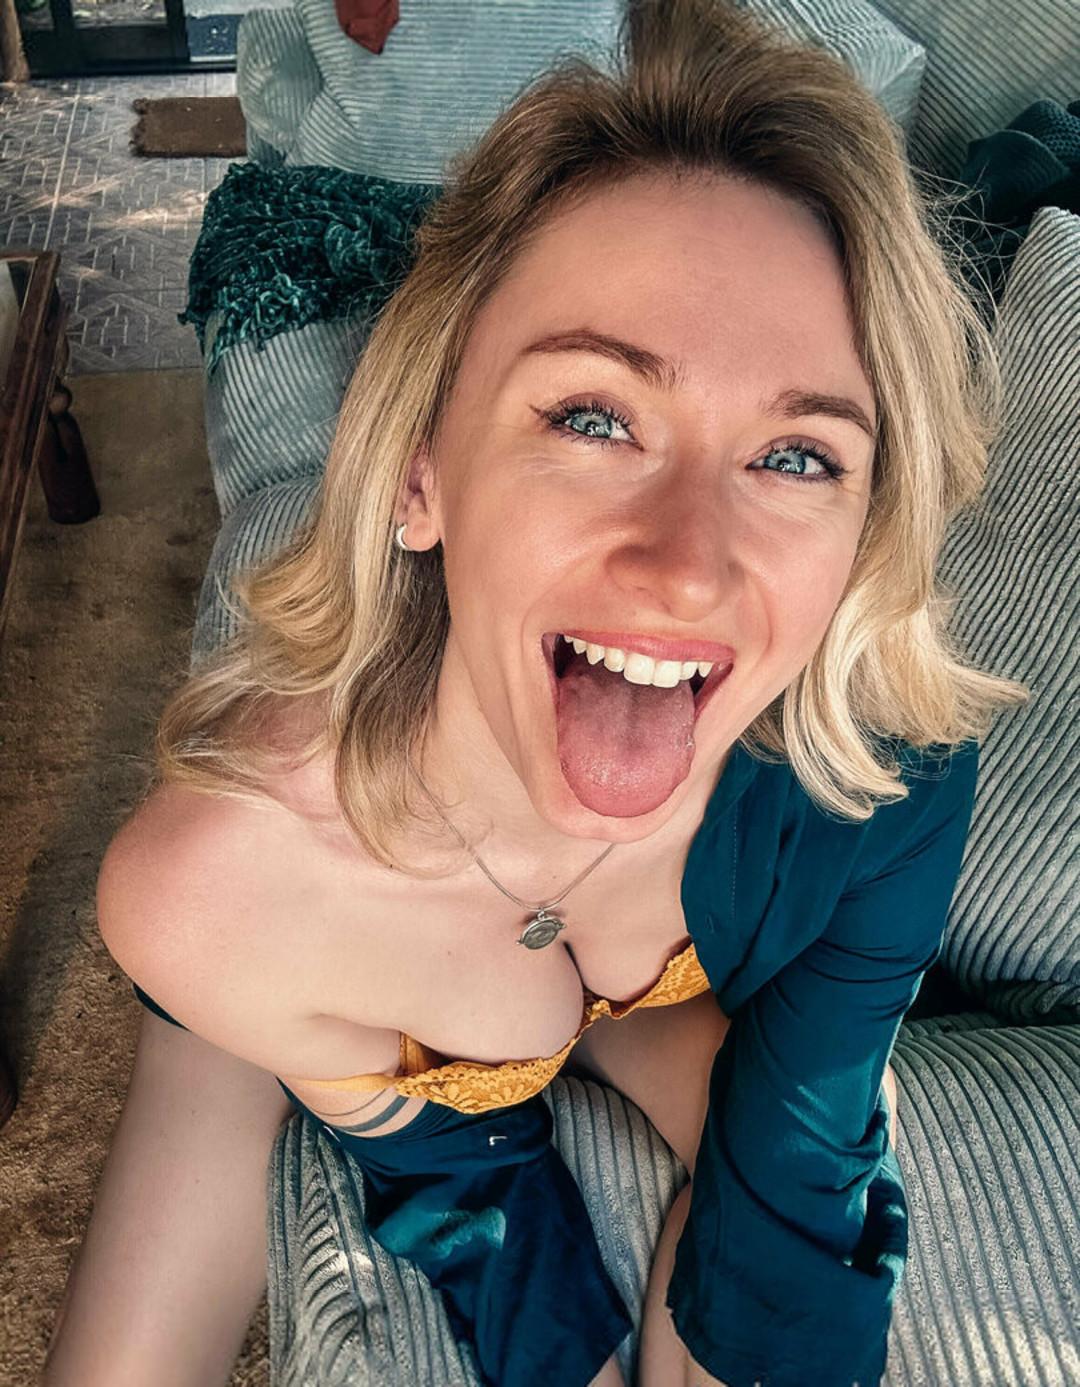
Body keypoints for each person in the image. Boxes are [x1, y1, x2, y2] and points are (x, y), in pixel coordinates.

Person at [43, 1, 1028, 1384]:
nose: (687, 572)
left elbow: (804, 1166)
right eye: (593, 417)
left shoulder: (886, 768)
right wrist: (566, 1354)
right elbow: (458, 1178)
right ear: (421, 472)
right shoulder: (218, 885)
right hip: (346, 718)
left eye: (797, 455)